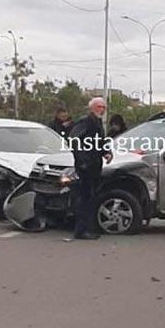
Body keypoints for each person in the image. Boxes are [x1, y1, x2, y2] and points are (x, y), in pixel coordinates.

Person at [68, 98, 113, 240]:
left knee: (91, 197)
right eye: (100, 107)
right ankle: (81, 230)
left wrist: (106, 151)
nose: (102, 110)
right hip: (85, 166)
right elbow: (74, 140)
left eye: (104, 107)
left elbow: (99, 141)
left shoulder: (98, 122)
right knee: (85, 197)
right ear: (92, 108)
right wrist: (82, 160)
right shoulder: (85, 122)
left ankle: (88, 227)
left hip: (94, 165)